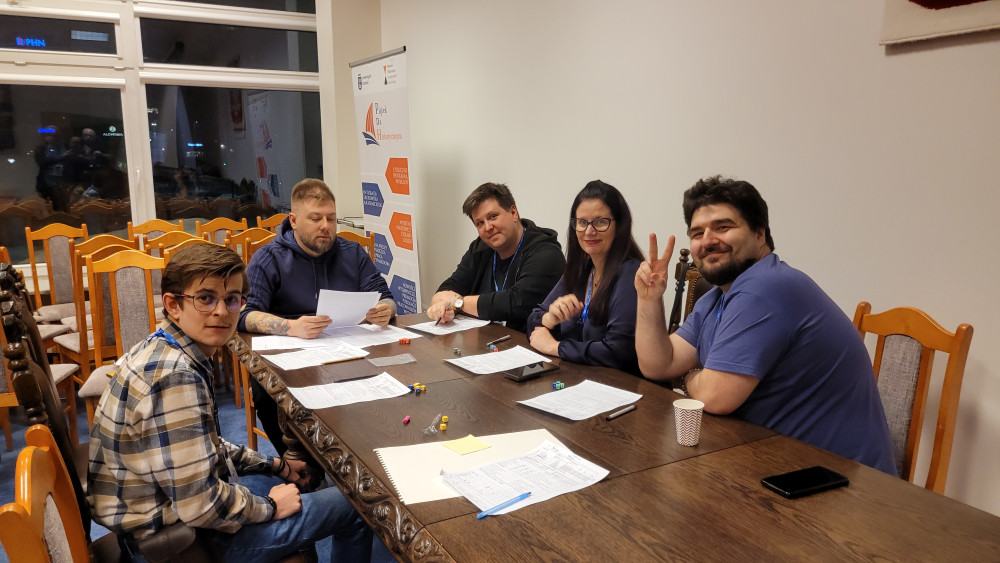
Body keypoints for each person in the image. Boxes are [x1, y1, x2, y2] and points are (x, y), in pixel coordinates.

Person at [88, 244, 373, 561]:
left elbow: (203, 446)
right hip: (183, 542)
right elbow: (201, 506)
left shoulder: (162, 347)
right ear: (173, 305)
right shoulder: (175, 379)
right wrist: (271, 506)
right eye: (205, 298)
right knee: (359, 504)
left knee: (285, 480)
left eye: (232, 299)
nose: (222, 312)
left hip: (170, 514)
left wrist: (275, 464)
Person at [634, 176, 896, 474]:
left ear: (759, 234)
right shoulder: (718, 298)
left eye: (723, 227)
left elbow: (715, 397)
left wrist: (688, 377)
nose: (707, 241)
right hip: (775, 461)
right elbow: (659, 364)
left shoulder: (767, 287)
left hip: (843, 481)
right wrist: (649, 299)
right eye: (697, 233)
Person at [239, 178, 395, 454]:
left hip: (346, 351)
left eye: (331, 218)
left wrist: (385, 309)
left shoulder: (352, 253)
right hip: (289, 359)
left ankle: (359, 452)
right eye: (316, 218)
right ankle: (301, 465)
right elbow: (244, 315)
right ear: (294, 220)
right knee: (270, 395)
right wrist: (290, 326)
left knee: (385, 387)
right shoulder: (268, 258)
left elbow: (385, 296)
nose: (326, 226)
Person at [526, 180, 644, 375]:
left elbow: (618, 351)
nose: (589, 231)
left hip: (622, 385)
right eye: (582, 222)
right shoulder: (583, 269)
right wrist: (550, 319)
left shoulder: (631, 272)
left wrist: (556, 347)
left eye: (600, 222)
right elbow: (533, 320)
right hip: (580, 378)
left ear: (620, 225)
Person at [426, 182, 564, 332]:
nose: (488, 227)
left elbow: (516, 303)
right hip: (487, 340)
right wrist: (440, 305)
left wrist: (459, 303)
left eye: (493, 217)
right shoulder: (480, 248)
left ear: (513, 213)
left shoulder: (546, 253)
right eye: (480, 223)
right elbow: (451, 286)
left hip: (530, 342)